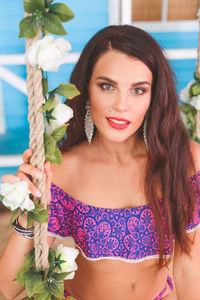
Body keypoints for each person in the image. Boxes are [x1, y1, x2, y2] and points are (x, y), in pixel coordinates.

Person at [0, 25, 200, 300]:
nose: (121, 105)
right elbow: (9, 287)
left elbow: (189, 269)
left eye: (138, 91)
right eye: (107, 86)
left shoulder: (185, 160)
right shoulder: (60, 169)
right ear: (86, 89)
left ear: (154, 97)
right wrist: (28, 210)